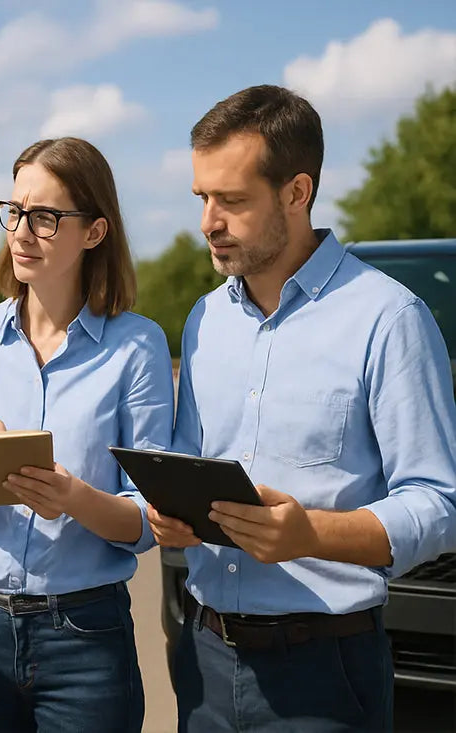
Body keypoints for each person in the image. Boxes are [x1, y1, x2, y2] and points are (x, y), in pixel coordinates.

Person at [149, 84, 456, 732]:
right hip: (202, 658)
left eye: (231, 200)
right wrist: (169, 514)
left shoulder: (389, 318)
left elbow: (436, 502)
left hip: (325, 672)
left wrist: (309, 532)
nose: (208, 221)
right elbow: (188, 464)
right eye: (202, 197)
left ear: (297, 192)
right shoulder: (204, 319)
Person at [0, 137, 174, 733]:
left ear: (94, 231)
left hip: (86, 638)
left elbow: (148, 519)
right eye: (15, 211)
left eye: (45, 217)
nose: (22, 232)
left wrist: (71, 498)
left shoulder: (137, 346)